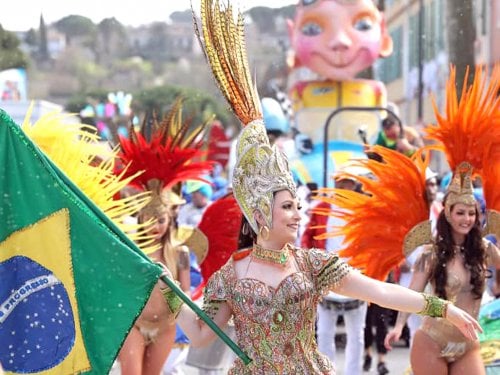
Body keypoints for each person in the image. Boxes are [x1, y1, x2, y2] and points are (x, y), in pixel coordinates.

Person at [157, 2, 482, 374]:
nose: (298, 214)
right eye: (288, 207)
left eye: (297, 205)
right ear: (261, 213)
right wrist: (170, 291)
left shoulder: (312, 264)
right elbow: (200, 335)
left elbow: (380, 291)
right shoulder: (229, 277)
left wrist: (443, 307)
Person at [115, 100, 213, 374]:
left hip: (165, 326)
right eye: (149, 218)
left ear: (170, 220)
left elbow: (184, 300)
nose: (155, 225)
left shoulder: (179, 253)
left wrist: (171, 288)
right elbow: (123, 290)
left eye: (160, 219)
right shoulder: (131, 250)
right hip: (134, 324)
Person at [384, 162, 500, 374]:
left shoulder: (484, 249)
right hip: (431, 342)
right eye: (460, 213)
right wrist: (399, 325)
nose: (467, 219)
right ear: (448, 214)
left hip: (468, 344)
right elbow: (413, 292)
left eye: (471, 214)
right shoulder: (431, 253)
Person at [302, 170, 367, 375]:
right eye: (342, 183)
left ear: (354, 185)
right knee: (324, 332)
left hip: (355, 276)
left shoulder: (362, 210)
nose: (345, 187)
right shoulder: (322, 208)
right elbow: (308, 237)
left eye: (349, 183)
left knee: (356, 334)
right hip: (326, 277)